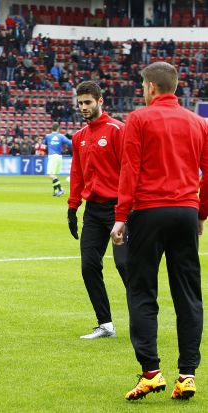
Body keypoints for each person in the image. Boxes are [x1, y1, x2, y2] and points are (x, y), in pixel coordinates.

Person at [110, 62, 208, 401]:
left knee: (142, 292)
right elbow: (207, 173)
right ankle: (188, 375)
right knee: (188, 294)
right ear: (175, 86)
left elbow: (130, 168)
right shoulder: (198, 123)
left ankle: (151, 373)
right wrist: (201, 212)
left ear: (151, 87)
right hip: (184, 211)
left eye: (142, 85)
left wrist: (121, 215)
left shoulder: (138, 118)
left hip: (149, 212)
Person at [67, 81, 128, 340]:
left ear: (100, 101)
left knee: (126, 266)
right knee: (89, 266)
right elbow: (77, 174)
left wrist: (126, 210)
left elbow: (130, 171)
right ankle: (105, 324)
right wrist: (72, 207)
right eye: (80, 103)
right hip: (92, 211)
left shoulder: (118, 130)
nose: (83, 107)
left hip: (119, 209)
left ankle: (144, 319)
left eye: (88, 102)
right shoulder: (79, 137)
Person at [44, 123, 72, 196]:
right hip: (59, 157)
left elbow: (45, 144)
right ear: (58, 129)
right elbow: (70, 143)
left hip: (52, 156)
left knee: (50, 175)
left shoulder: (48, 136)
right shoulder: (61, 136)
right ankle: (55, 191)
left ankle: (60, 189)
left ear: (51, 129)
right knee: (54, 174)